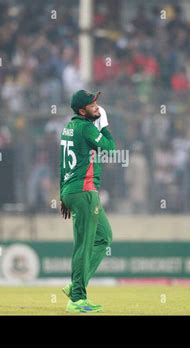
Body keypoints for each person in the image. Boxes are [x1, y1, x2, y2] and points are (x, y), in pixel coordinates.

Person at [59, 90, 116, 313]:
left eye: (97, 102)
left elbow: (62, 163)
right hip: (84, 191)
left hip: (73, 191)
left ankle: (75, 285)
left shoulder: (68, 127)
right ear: (82, 111)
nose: (97, 106)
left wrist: (63, 193)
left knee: (104, 237)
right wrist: (105, 125)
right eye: (93, 104)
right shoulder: (86, 128)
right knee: (84, 245)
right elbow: (110, 149)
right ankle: (76, 300)